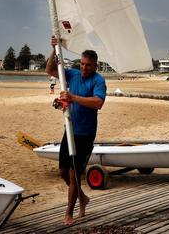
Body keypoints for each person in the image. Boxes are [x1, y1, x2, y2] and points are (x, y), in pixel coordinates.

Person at [46, 36, 107, 226]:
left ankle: (69, 213)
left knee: (74, 175)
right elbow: (49, 69)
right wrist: (53, 49)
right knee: (63, 171)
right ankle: (83, 198)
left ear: (95, 66)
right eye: (82, 63)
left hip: (86, 134)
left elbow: (98, 103)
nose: (84, 67)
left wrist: (73, 97)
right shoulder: (72, 75)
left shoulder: (98, 80)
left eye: (88, 65)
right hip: (70, 130)